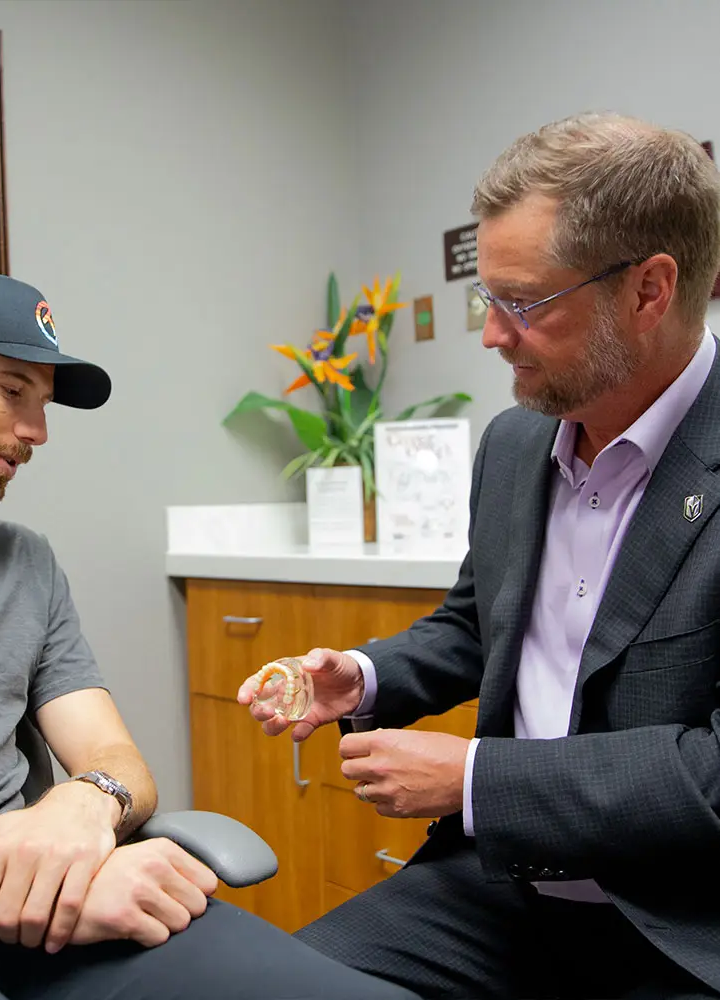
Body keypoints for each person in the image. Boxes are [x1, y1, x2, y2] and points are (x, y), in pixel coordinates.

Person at [0, 270, 416, 999]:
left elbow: (116, 762)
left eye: (42, 405)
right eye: (12, 391)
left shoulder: (26, 561)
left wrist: (88, 800)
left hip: (55, 916)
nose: (37, 431)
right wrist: (15, 884)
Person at [239, 112, 720, 1000]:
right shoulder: (511, 444)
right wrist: (363, 675)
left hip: (681, 922)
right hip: (502, 884)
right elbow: (477, 622)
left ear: (650, 289)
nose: (492, 335)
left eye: (523, 303)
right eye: (486, 301)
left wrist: (475, 778)